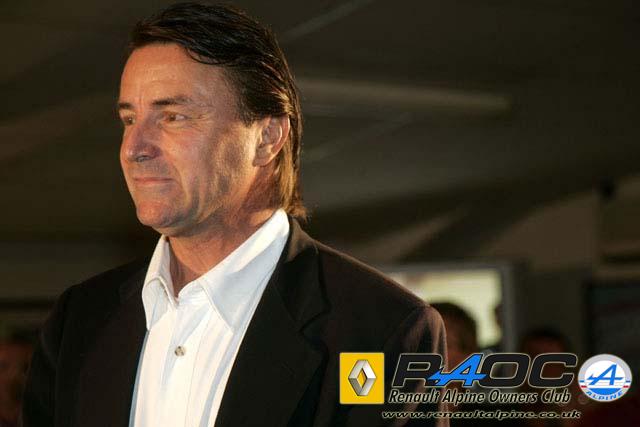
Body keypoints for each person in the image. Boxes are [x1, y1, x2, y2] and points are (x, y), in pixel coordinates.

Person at [21, 3, 447, 426]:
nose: (134, 148)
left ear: (267, 137)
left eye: (173, 116)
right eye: (129, 119)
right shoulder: (80, 319)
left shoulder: (381, 330)